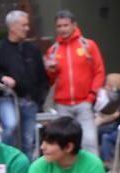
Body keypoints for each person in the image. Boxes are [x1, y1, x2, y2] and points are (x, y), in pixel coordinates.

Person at [0, 10, 48, 158]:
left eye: (27, 25)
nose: (27, 28)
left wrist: (39, 100)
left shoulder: (32, 49)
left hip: (29, 100)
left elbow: (42, 77)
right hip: (7, 97)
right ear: (12, 27)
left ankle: (25, 172)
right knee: (10, 126)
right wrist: (1, 78)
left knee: (29, 140)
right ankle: (3, 159)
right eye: (24, 25)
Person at [45, 10, 105, 156]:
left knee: (89, 141)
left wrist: (92, 95)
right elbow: (50, 81)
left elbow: (99, 71)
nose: (62, 29)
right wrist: (51, 71)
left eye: (66, 25)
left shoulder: (87, 45)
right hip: (62, 104)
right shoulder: (53, 50)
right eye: (59, 26)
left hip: (84, 101)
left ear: (74, 25)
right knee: (64, 143)